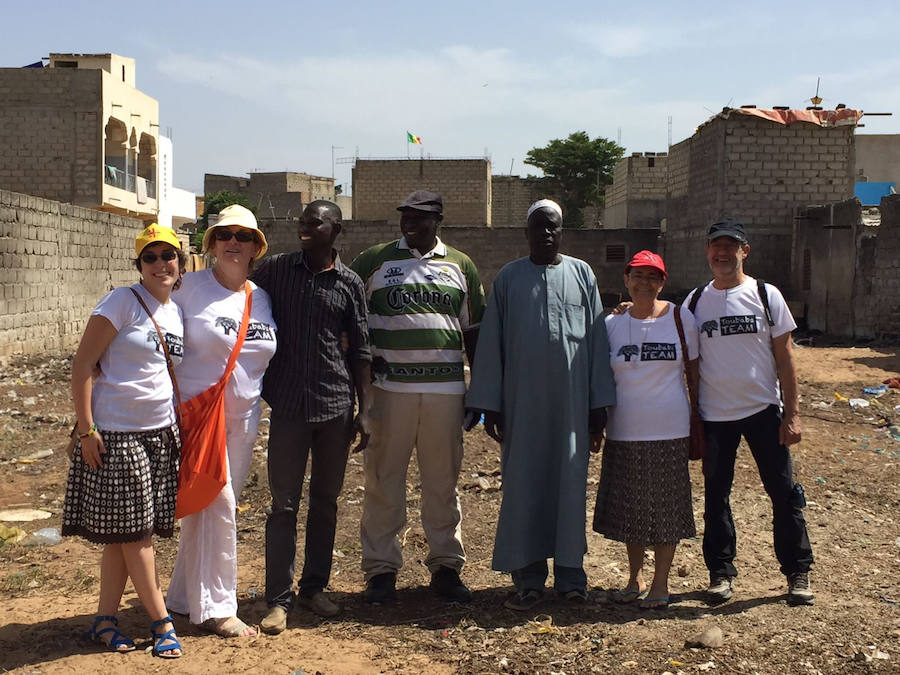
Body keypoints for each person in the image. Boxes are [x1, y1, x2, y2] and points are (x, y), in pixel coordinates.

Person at [466, 199, 616, 610]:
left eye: (553, 227)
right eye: (539, 227)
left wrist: (597, 405)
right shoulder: (509, 279)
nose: (546, 234)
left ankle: (571, 577)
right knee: (525, 486)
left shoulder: (582, 274)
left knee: (570, 487)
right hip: (522, 405)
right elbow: (492, 343)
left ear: (562, 232)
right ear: (526, 232)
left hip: (571, 405)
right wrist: (490, 405)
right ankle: (528, 578)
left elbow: (598, 341)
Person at [351, 190, 485, 604]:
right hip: (389, 392)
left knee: (442, 483)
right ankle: (381, 571)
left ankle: (446, 566)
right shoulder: (374, 261)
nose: (410, 222)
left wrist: (477, 389)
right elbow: (350, 316)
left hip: (445, 391)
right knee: (382, 481)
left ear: (438, 220)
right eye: (405, 215)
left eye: (420, 217)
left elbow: (473, 333)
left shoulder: (461, 265)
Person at [62, 224, 185, 658]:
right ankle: (161, 621)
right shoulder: (121, 301)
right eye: (149, 258)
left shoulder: (173, 310)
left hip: (159, 434)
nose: (159, 264)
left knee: (122, 537)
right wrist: (87, 428)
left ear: (180, 262)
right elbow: (82, 365)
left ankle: (104, 620)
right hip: (116, 435)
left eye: (167, 255)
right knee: (138, 536)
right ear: (139, 265)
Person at [253, 200, 372, 635]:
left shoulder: (349, 283)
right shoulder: (277, 270)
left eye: (313, 221)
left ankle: (314, 588)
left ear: (335, 229)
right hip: (287, 407)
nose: (304, 226)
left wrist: (367, 411)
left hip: (335, 408)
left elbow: (360, 349)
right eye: (301, 220)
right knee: (283, 505)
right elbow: (236, 294)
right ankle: (278, 600)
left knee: (325, 502)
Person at [689, 219, 813, 606]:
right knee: (716, 497)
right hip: (715, 416)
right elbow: (678, 348)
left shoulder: (765, 294)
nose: (722, 253)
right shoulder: (694, 302)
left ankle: (797, 572)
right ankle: (721, 574)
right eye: (716, 246)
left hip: (763, 411)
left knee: (783, 494)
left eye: (731, 246)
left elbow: (786, 357)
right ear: (707, 251)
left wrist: (792, 414)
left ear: (745, 251)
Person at [166, 204, 277, 637]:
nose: (234, 242)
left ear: (255, 248)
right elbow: (150, 327)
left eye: (243, 236)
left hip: (243, 421)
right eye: (225, 234)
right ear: (212, 244)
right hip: (198, 420)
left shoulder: (260, 297)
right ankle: (218, 607)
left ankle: (182, 597)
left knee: (203, 508)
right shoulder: (187, 289)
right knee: (220, 503)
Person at [593, 250, 698, 610]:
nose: (644, 283)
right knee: (631, 509)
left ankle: (661, 583)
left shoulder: (681, 319)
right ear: (626, 279)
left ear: (663, 283)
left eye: (653, 277)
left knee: (666, 509)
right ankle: (634, 577)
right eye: (638, 275)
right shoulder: (611, 324)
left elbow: (695, 373)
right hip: (623, 429)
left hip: (669, 428)